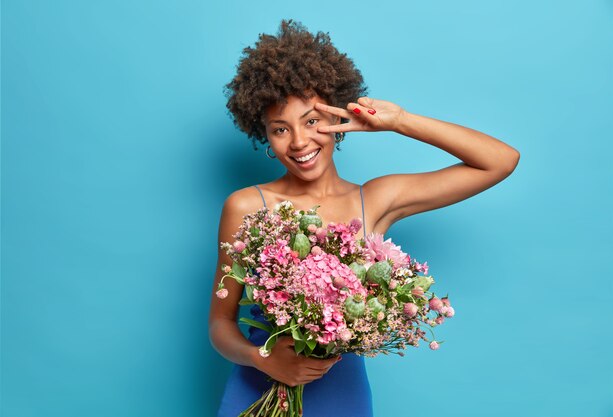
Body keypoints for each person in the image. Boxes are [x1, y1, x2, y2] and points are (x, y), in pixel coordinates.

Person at [209, 19, 520, 417]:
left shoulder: (373, 200)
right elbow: (220, 323)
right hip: (255, 388)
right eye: (280, 129)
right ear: (263, 135)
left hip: (342, 394)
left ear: (338, 118)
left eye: (312, 120)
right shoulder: (246, 206)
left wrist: (399, 121)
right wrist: (263, 358)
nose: (300, 141)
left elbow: (500, 161)